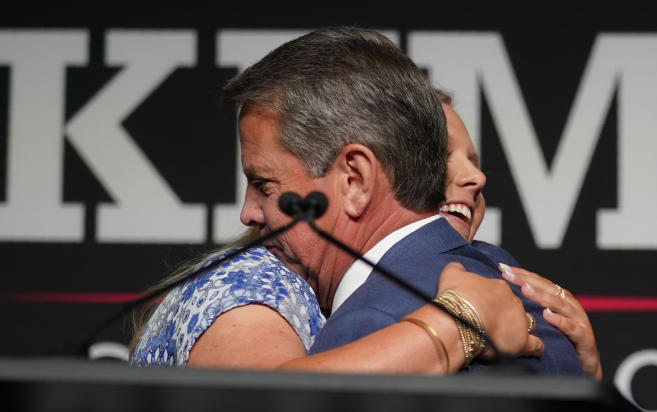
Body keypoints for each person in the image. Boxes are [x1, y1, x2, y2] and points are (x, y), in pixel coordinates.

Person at [223, 27, 581, 374]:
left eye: (263, 184)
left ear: (355, 180)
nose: (247, 214)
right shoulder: (518, 289)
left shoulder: (372, 324)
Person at [435, 91, 602, 380]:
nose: (478, 178)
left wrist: (586, 379)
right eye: (442, 155)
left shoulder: (494, 266)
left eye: (473, 162)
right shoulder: (373, 303)